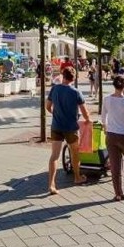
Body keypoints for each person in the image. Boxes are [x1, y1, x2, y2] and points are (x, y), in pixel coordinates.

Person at [46, 66, 91, 195]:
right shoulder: (76, 92)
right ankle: (77, 177)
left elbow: (48, 106)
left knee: (54, 156)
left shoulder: (54, 89)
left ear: (63, 76)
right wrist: (88, 120)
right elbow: (84, 111)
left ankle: (51, 184)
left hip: (56, 126)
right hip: (71, 127)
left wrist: (55, 113)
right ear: (74, 78)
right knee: (75, 152)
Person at [101, 75, 124, 201]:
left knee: (115, 166)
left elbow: (103, 117)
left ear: (114, 85)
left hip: (111, 135)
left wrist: (106, 129)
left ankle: (118, 193)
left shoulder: (106, 99)